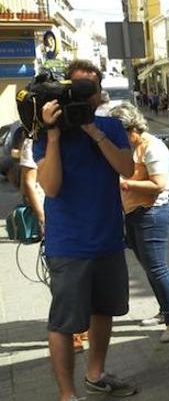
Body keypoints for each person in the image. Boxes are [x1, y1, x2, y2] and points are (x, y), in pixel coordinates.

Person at [35, 59, 137, 400]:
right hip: (69, 245)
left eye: (88, 90)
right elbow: (50, 187)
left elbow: (126, 168)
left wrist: (93, 130)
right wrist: (52, 136)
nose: (83, 96)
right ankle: (67, 394)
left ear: (98, 93)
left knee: (104, 311)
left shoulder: (110, 126)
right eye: (75, 89)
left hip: (108, 239)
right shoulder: (46, 132)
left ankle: (95, 375)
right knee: (64, 323)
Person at [109, 102, 169, 344]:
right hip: (133, 213)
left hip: (153, 213)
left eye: (120, 134)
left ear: (131, 128)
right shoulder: (132, 147)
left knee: (158, 268)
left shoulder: (153, 148)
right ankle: (165, 311)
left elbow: (160, 184)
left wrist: (125, 183)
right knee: (149, 268)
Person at [21, 137, 90, 352]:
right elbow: (29, 183)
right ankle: (72, 333)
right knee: (64, 278)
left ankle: (81, 326)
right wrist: (42, 217)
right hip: (54, 218)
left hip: (79, 215)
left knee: (84, 273)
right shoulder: (32, 143)